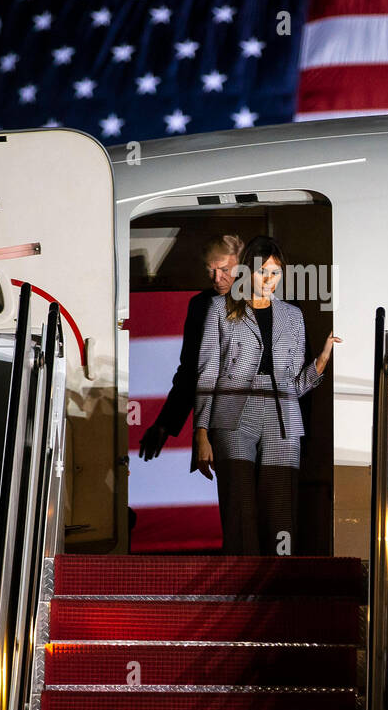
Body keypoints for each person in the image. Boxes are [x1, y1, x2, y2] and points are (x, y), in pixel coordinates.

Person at [192, 235, 340, 555]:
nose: (269, 280)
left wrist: (323, 359)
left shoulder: (293, 315)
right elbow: (206, 373)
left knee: (280, 505)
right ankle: (240, 581)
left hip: (282, 413)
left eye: (276, 273)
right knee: (239, 505)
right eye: (263, 272)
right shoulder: (220, 308)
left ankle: (278, 578)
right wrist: (201, 433)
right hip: (233, 411)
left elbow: (296, 385)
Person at [138, 234, 243, 470]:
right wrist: (165, 424)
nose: (217, 278)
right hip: (216, 427)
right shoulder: (200, 305)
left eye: (225, 269)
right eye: (210, 270)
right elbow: (189, 371)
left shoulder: (264, 303)